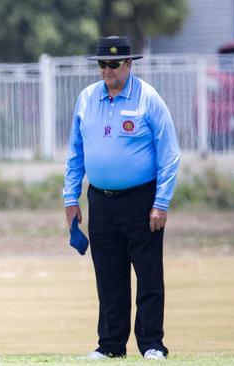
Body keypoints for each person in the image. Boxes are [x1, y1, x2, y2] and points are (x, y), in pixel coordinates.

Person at [63, 36, 180, 360]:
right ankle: (111, 345)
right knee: (109, 277)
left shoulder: (148, 99)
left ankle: (152, 344)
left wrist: (161, 203)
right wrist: (70, 199)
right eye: (102, 64)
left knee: (148, 275)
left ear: (129, 64)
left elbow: (169, 154)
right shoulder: (86, 99)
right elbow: (75, 153)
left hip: (141, 201)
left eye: (114, 64)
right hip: (100, 200)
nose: (107, 70)